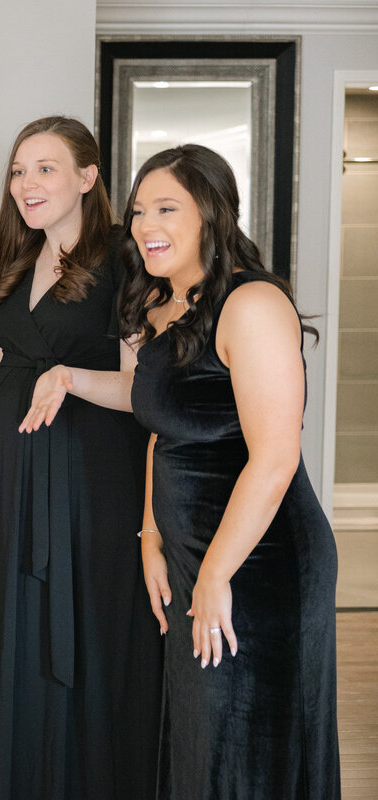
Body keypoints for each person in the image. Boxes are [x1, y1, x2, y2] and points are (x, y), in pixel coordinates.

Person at [0, 117, 161, 799]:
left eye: (46, 168)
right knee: (12, 642)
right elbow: (1, 373)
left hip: (88, 491)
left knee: (78, 641)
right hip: (4, 490)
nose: (27, 183)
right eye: (20, 170)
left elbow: (145, 391)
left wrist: (72, 379)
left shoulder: (124, 260)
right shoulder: (20, 260)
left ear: (88, 177)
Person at [123, 143, 340, 798]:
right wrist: (151, 536)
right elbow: (163, 434)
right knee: (201, 741)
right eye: (137, 212)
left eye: (166, 208)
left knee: (246, 740)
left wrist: (217, 573)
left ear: (213, 214)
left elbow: (275, 458)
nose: (144, 226)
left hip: (259, 561)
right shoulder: (164, 309)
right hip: (193, 555)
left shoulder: (252, 304)